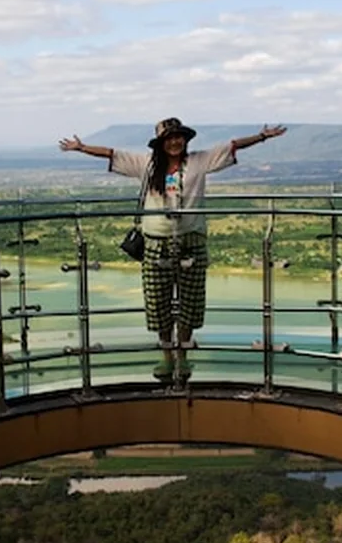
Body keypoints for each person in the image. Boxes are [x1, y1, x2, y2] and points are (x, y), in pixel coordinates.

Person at [59, 117, 287, 383]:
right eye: (169, 138)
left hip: (191, 240)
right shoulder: (147, 164)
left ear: (186, 140)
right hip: (156, 241)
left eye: (178, 137)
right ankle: (167, 356)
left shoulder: (199, 162)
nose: (175, 142)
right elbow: (112, 154)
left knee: (191, 303)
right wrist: (81, 147)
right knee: (158, 304)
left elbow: (233, 146)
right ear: (161, 143)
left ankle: (183, 356)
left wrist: (263, 137)